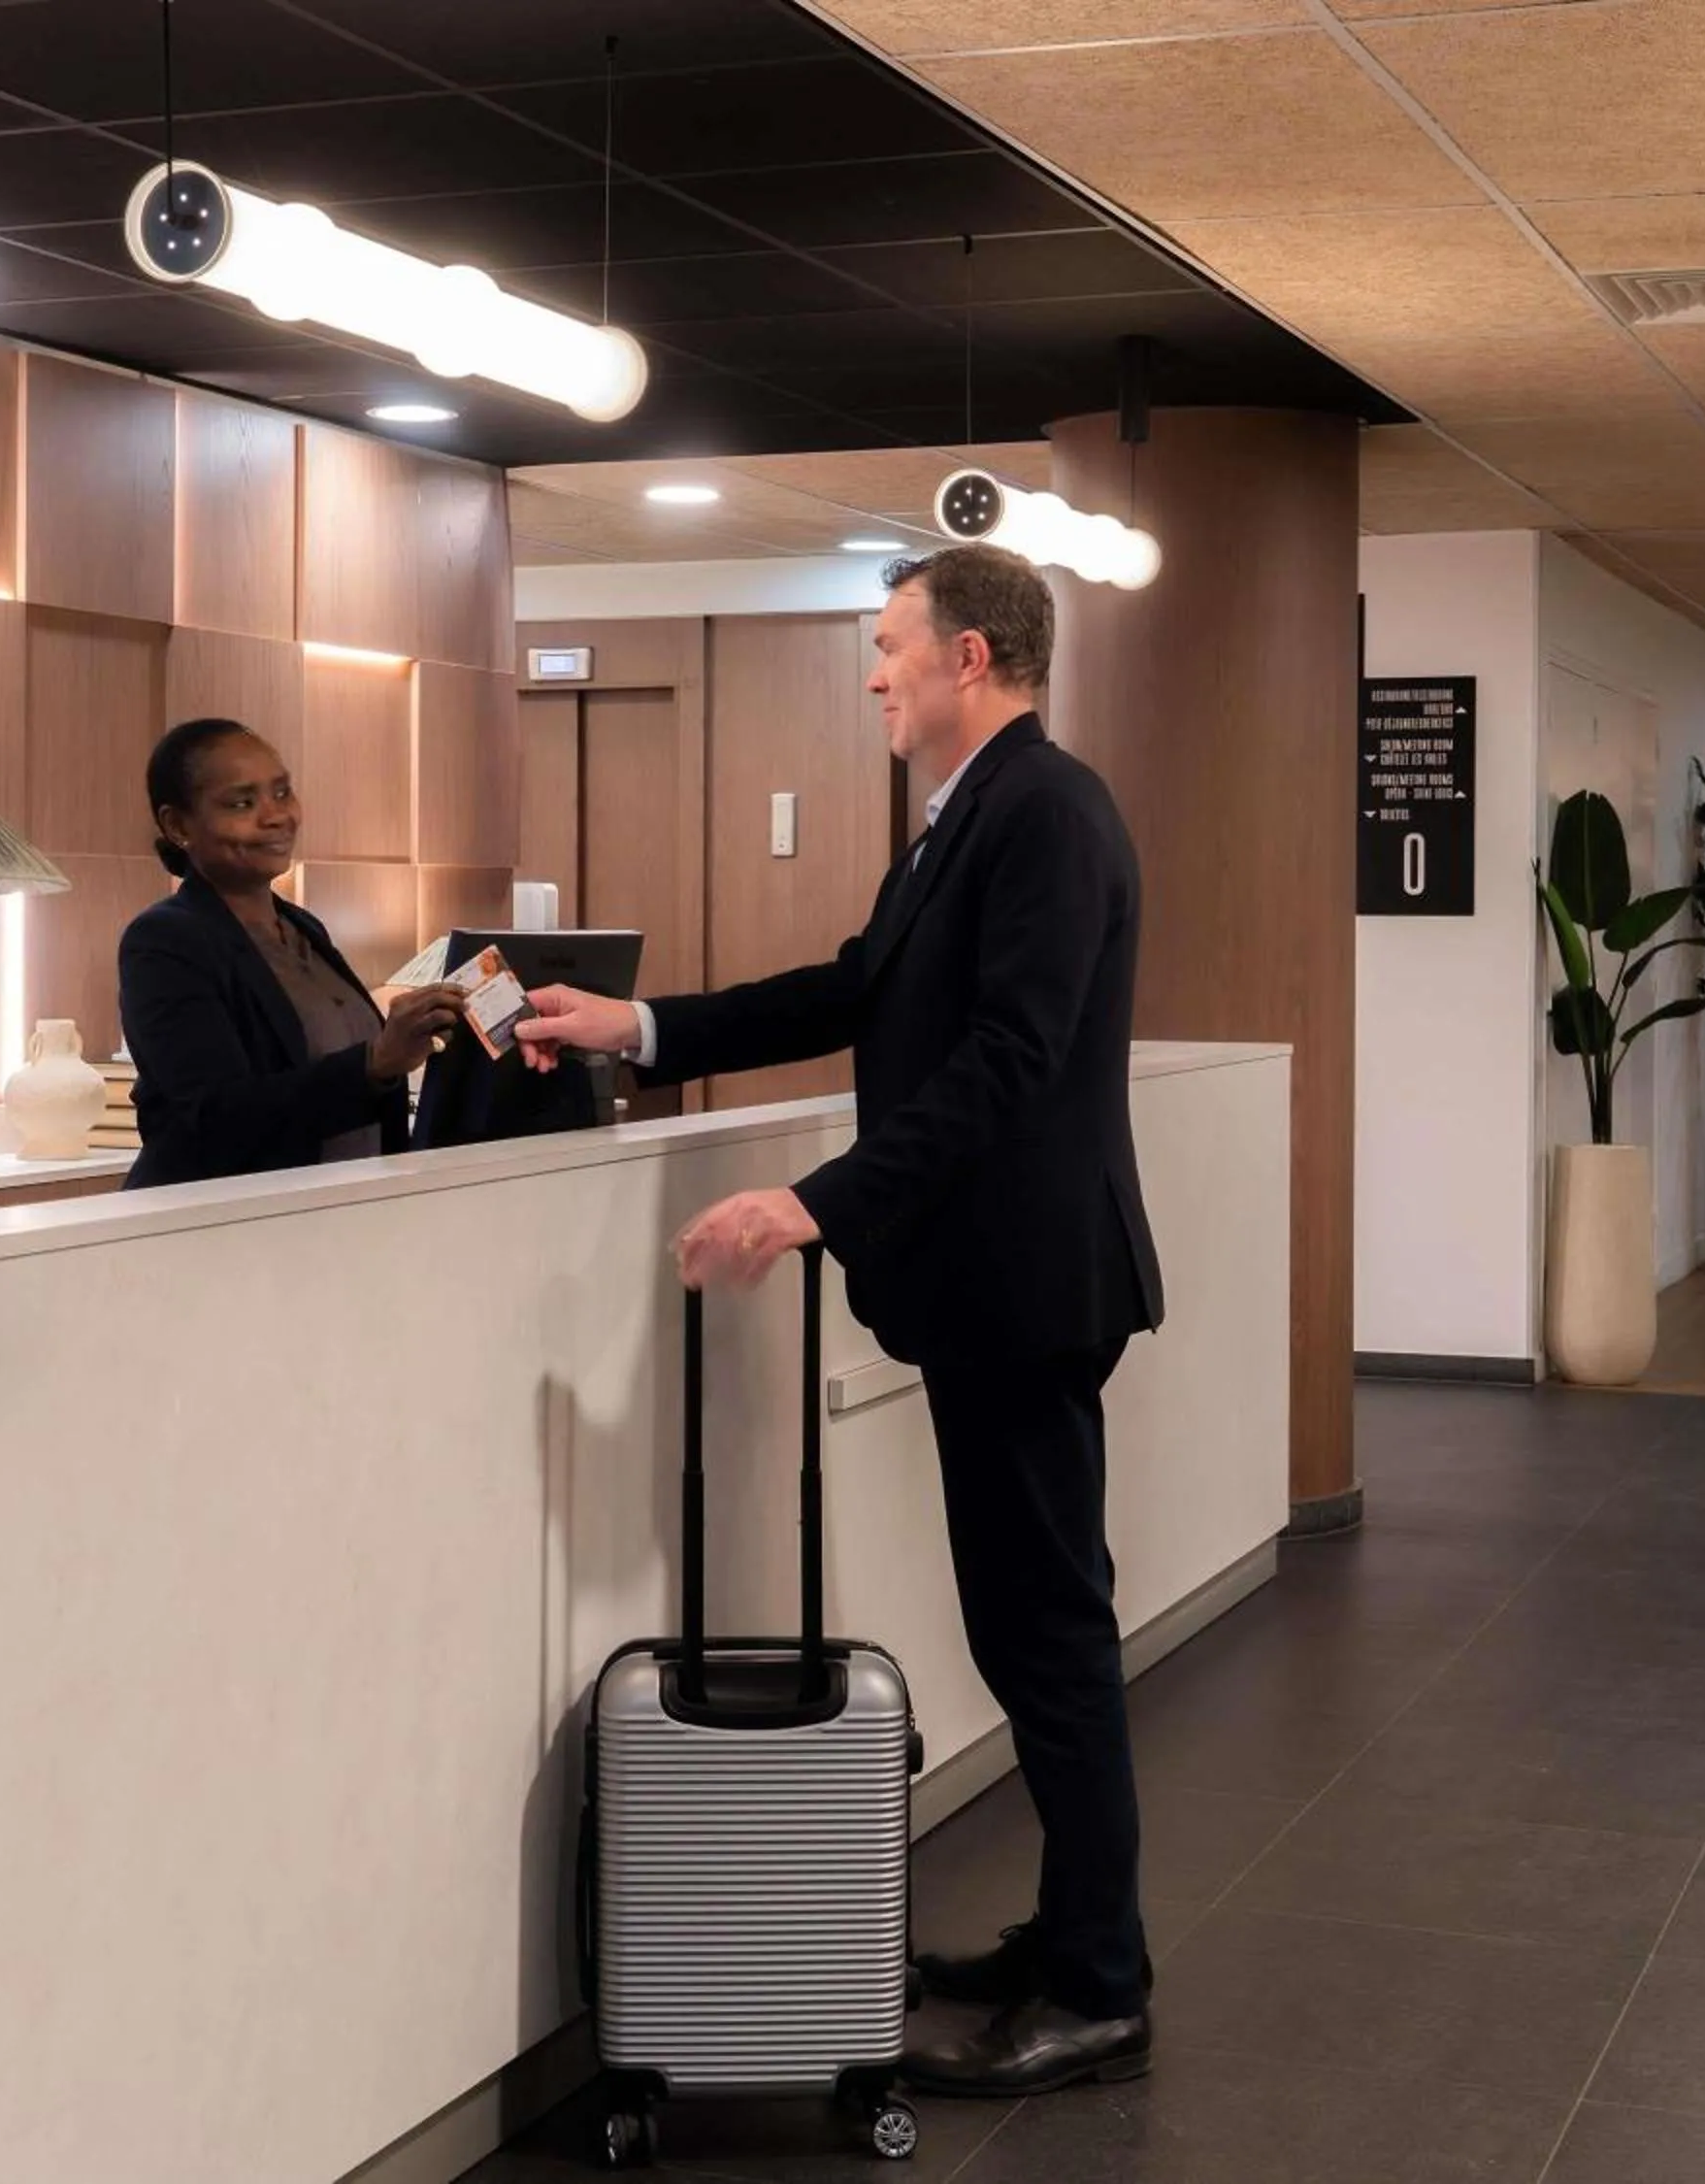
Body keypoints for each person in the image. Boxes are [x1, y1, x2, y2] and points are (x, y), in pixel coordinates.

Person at [515, 545, 1164, 2097]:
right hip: (994, 1288)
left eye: (889, 645)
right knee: (1028, 1627)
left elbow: (1010, 1056)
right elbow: (854, 988)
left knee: (1049, 1635)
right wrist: (640, 1025)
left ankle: (1100, 1986)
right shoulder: (968, 817)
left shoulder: (1046, 811)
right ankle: (1075, 1934)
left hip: (1026, 1289)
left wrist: (815, 1203)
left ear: (972, 657)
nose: (873, 673)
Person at [116, 716, 463, 1189]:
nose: (276, 815)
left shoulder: (304, 927)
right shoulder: (163, 940)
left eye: (282, 793)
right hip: (228, 1223)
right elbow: (218, 1116)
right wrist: (375, 1062)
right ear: (178, 825)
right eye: (242, 803)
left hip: (345, 1216)